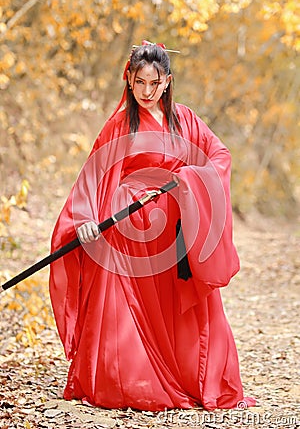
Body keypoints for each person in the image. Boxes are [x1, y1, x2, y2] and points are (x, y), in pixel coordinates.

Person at [49, 40, 255, 411]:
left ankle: (186, 376)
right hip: (129, 228)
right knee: (124, 307)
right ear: (128, 80)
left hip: (175, 226)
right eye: (140, 82)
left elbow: (219, 154)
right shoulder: (120, 124)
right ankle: (129, 380)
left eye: (155, 83)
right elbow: (93, 175)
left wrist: (190, 180)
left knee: (182, 306)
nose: (147, 91)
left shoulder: (186, 120)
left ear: (168, 82)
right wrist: (84, 219)